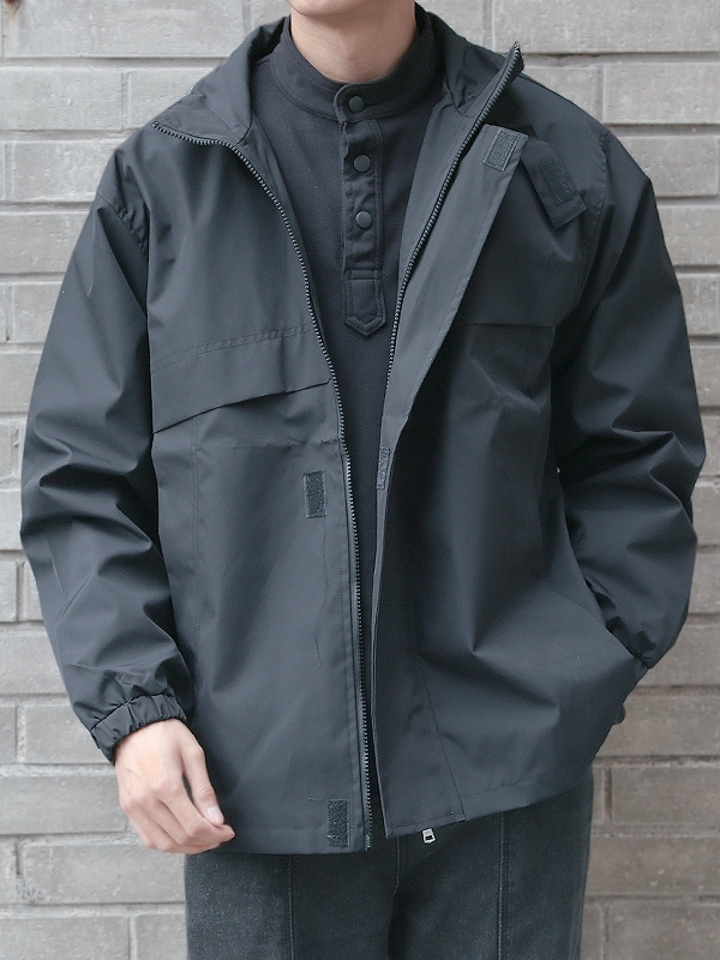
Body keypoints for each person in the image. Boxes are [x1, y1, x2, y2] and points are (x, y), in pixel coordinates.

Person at [20, 0, 704, 957]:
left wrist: (582, 666)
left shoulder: (563, 169)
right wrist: (137, 712)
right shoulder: (165, 181)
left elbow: (639, 452)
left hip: (506, 787)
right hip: (256, 789)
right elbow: (83, 477)